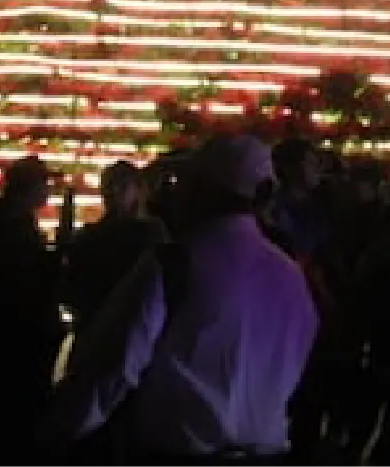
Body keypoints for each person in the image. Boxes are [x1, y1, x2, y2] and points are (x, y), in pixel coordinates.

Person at [43, 132, 320, 461]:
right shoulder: (291, 276)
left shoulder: (175, 263)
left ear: (203, 192)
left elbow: (117, 363)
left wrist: (61, 429)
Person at [65, 160, 165, 339]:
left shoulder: (150, 233)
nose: (113, 191)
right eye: (108, 185)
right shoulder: (153, 233)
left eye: (121, 184)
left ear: (138, 189)